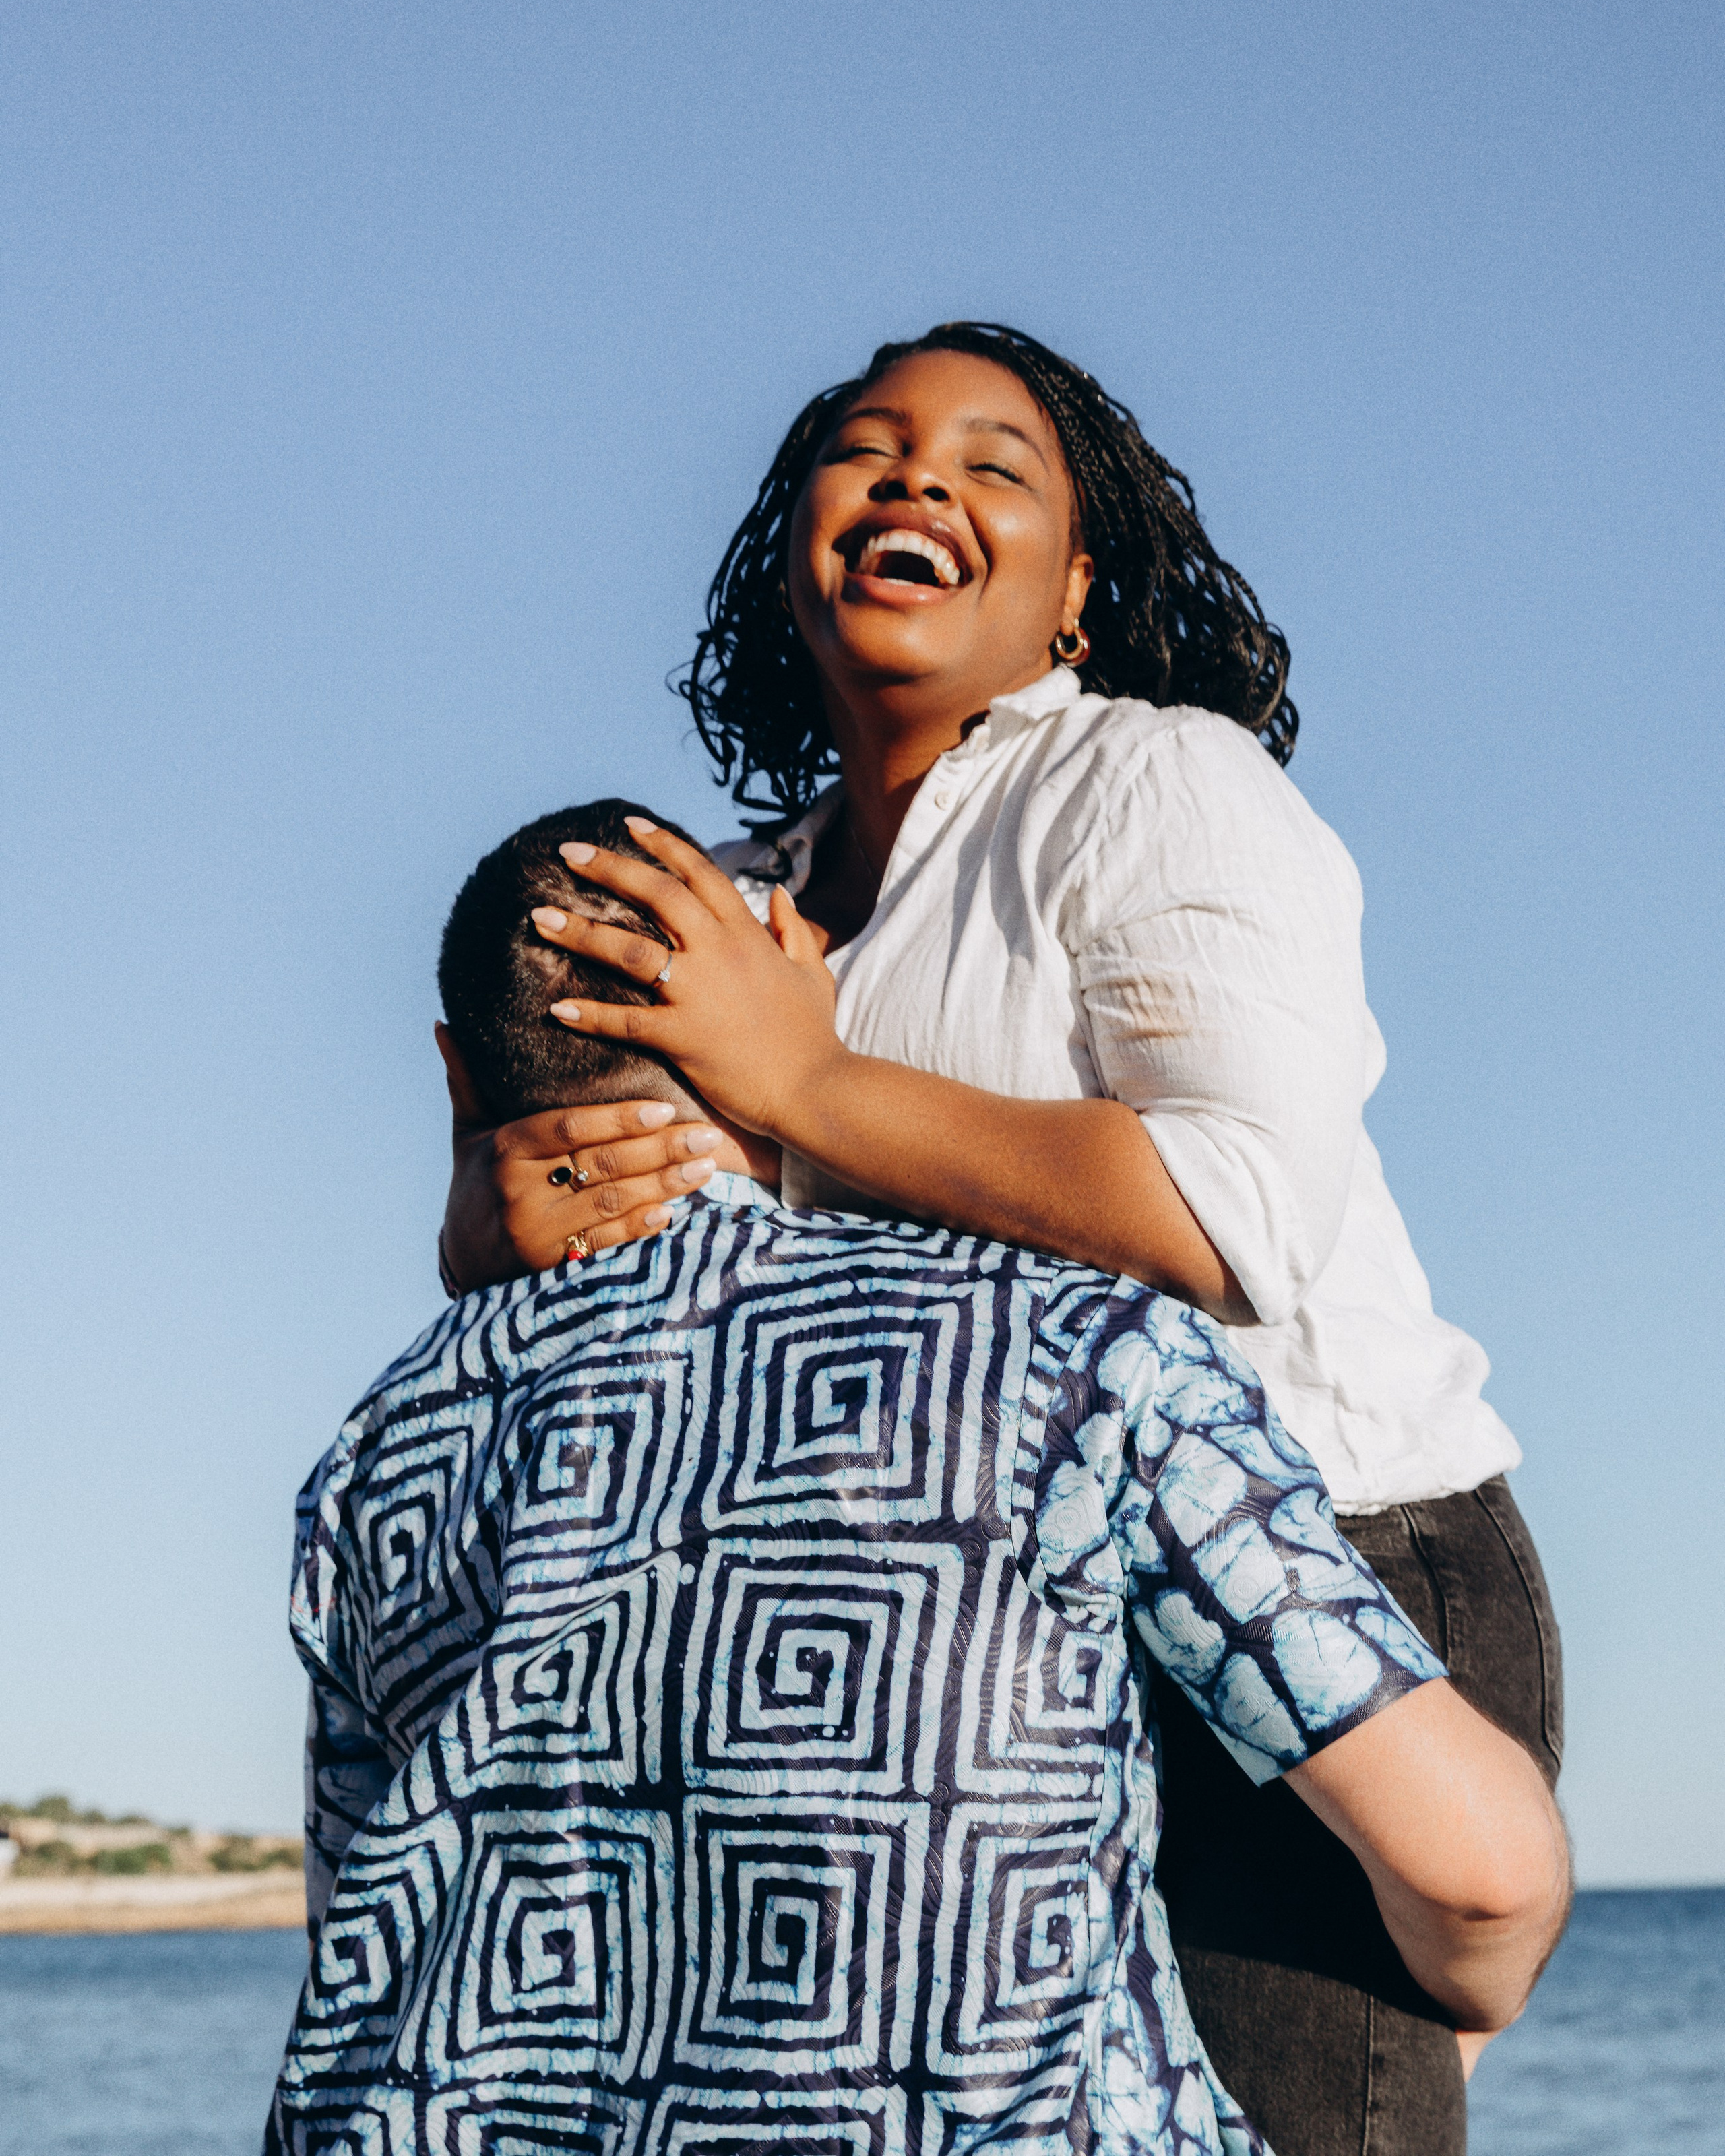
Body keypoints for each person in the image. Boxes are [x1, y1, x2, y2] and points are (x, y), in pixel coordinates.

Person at [440, 324, 1566, 2156]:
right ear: (785, 551)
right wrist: (492, 1219)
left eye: (993, 467)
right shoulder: (742, 907)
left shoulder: (1153, 785)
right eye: (868, 450)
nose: (917, 480)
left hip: (1319, 1571)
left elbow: (1236, 1211)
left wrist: (801, 1073)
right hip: (973, 1649)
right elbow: (619, 1269)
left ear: (1072, 598)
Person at [270, 802, 1568, 2156]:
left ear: (457, 1077)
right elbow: (1477, 1877)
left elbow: (367, 1937)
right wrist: (1447, 2027)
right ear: (790, 982)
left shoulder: (375, 1460)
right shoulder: (1074, 1354)